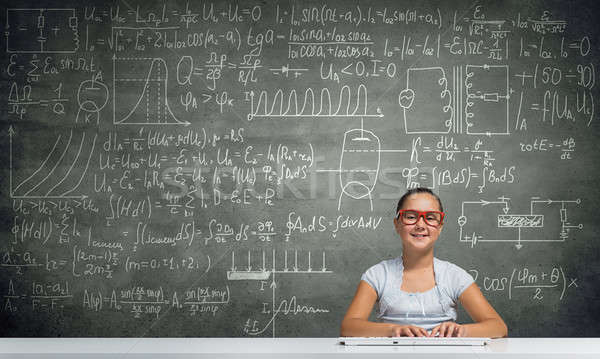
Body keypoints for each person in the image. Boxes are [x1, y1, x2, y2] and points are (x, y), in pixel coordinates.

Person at [340, 187, 507, 338]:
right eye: (411, 217)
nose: (420, 224)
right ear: (397, 224)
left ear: (440, 227)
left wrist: (461, 330)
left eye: (430, 218)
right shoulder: (378, 275)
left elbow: (498, 327)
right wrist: (392, 330)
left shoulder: (454, 276)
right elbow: (349, 326)